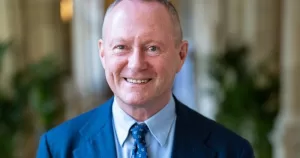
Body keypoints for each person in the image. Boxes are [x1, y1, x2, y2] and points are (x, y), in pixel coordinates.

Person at [36, 0, 254, 157]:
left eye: (152, 48)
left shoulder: (231, 151)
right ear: (103, 55)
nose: (136, 64)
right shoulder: (57, 149)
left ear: (181, 55)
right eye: (121, 47)